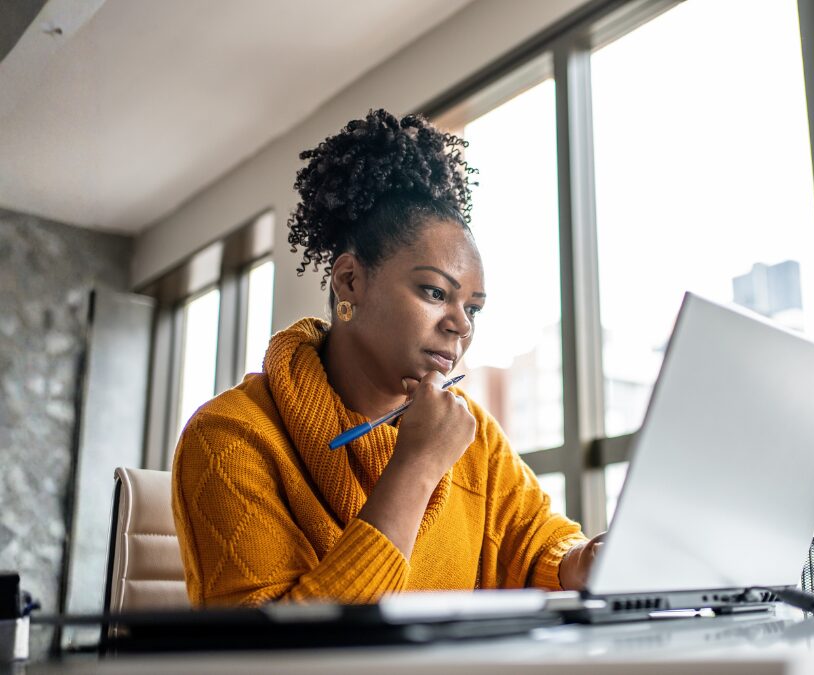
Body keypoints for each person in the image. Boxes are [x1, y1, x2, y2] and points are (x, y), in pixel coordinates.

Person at [171, 110, 602, 607]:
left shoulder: (472, 434)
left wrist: (581, 559)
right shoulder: (230, 437)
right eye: (435, 291)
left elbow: (537, 543)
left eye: (474, 309)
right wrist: (417, 466)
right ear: (350, 280)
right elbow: (272, 661)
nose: (461, 324)